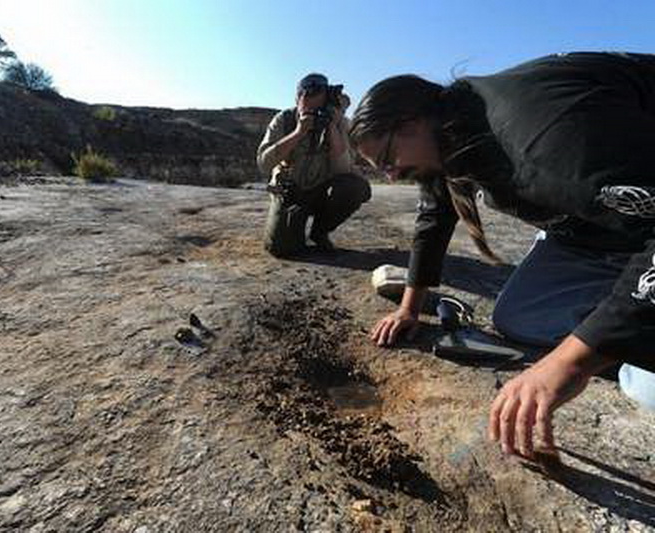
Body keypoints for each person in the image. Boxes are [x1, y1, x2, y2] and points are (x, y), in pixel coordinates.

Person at [349, 52, 655, 459]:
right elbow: (433, 218)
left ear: (410, 123)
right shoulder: (455, 129)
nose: (390, 175)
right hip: (599, 233)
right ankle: (628, 309)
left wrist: (571, 363)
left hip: (636, 223)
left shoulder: (542, 140)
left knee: (645, 387)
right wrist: (410, 308)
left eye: (388, 161)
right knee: (518, 317)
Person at [257, 73, 371, 257]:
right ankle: (294, 227)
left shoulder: (340, 122)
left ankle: (320, 231)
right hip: (291, 192)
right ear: (298, 98)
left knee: (355, 187)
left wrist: (333, 128)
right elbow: (264, 163)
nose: (312, 102)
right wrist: (298, 132)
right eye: (306, 95)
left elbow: (343, 171)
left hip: (321, 192)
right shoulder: (284, 120)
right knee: (281, 249)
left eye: (318, 97)